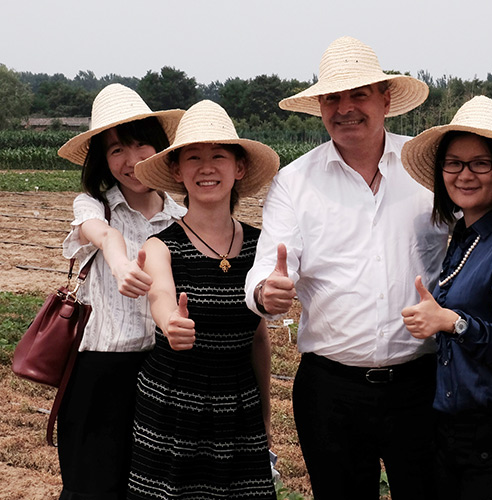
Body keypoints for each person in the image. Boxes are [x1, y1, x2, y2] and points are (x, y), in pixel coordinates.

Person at [244, 36, 448, 500]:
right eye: (333, 98)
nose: (345, 108)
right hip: (331, 390)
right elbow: (266, 269)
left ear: (385, 99)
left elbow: (481, 225)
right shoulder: (295, 182)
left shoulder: (428, 169)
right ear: (319, 106)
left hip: (423, 383)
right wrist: (265, 292)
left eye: (359, 95)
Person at [400, 95, 492, 500]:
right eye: (453, 163)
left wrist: (452, 321)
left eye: (480, 163)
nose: (464, 174)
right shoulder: (464, 237)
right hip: (454, 428)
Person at [129, 100, 279, 499]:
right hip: (173, 404)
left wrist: (265, 415)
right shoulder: (162, 245)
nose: (206, 167)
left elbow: (258, 339)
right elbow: (159, 293)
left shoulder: (259, 246)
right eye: (193, 157)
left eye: (218, 156)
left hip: (239, 405)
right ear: (177, 171)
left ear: (239, 168)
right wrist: (169, 322)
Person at [56, 83, 185, 500]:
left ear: (159, 147)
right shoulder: (94, 206)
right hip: (99, 375)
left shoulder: (182, 218)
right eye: (115, 151)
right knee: (92, 488)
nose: (131, 161)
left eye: (139, 144)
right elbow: (101, 234)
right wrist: (118, 257)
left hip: (164, 373)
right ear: (103, 162)